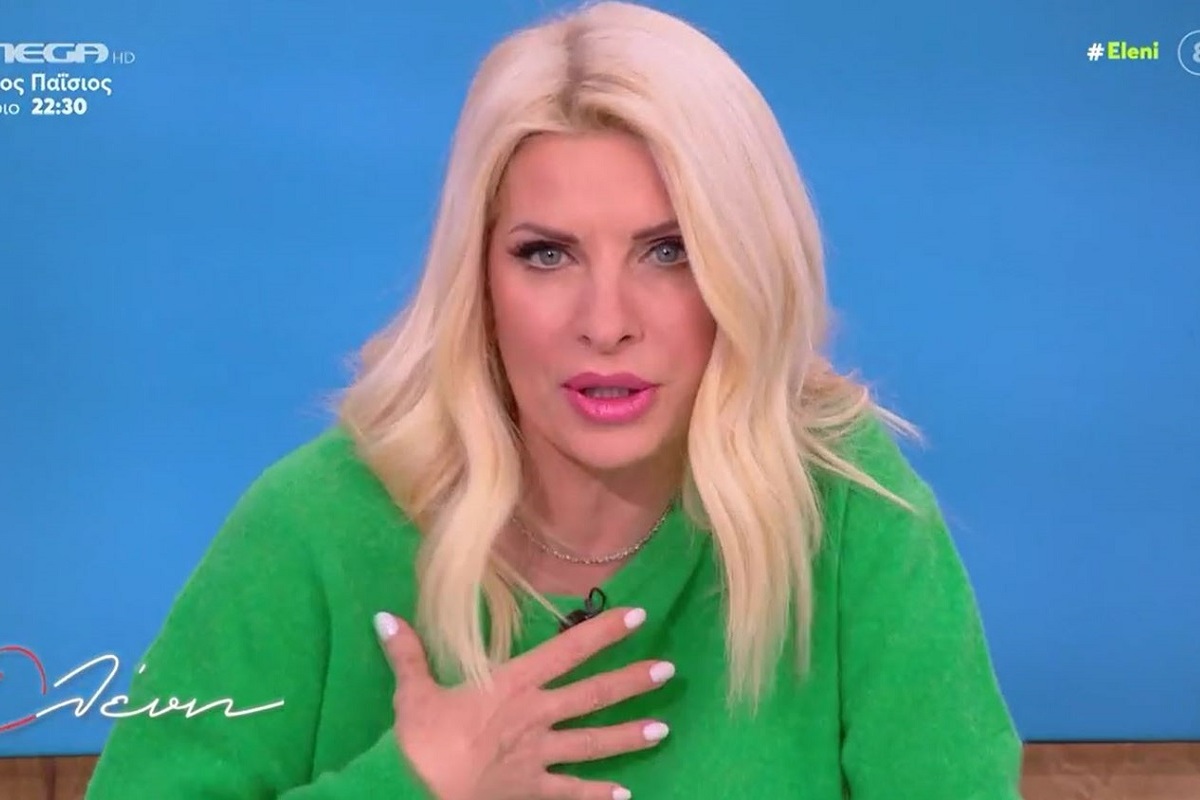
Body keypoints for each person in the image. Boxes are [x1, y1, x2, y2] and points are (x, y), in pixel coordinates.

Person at [85, 2, 1024, 798]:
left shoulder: (844, 508)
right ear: (478, 280)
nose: (606, 323)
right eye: (547, 254)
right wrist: (414, 783)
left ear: (746, 266)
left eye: (670, 252)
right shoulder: (317, 525)